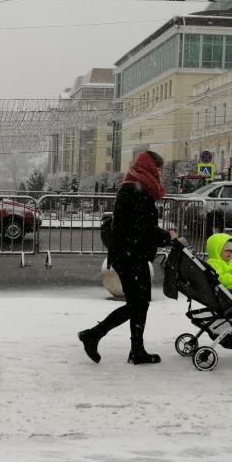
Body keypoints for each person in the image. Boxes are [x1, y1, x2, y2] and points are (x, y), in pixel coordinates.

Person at [78, 150, 178, 365]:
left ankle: (135, 349)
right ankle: (94, 335)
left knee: (138, 304)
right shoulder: (136, 190)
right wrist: (167, 236)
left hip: (130, 254)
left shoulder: (135, 185)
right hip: (131, 256)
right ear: (151, 167)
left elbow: (139, 227)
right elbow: (142, 228)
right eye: (159, 169)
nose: (160, 173)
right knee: (137, 304)